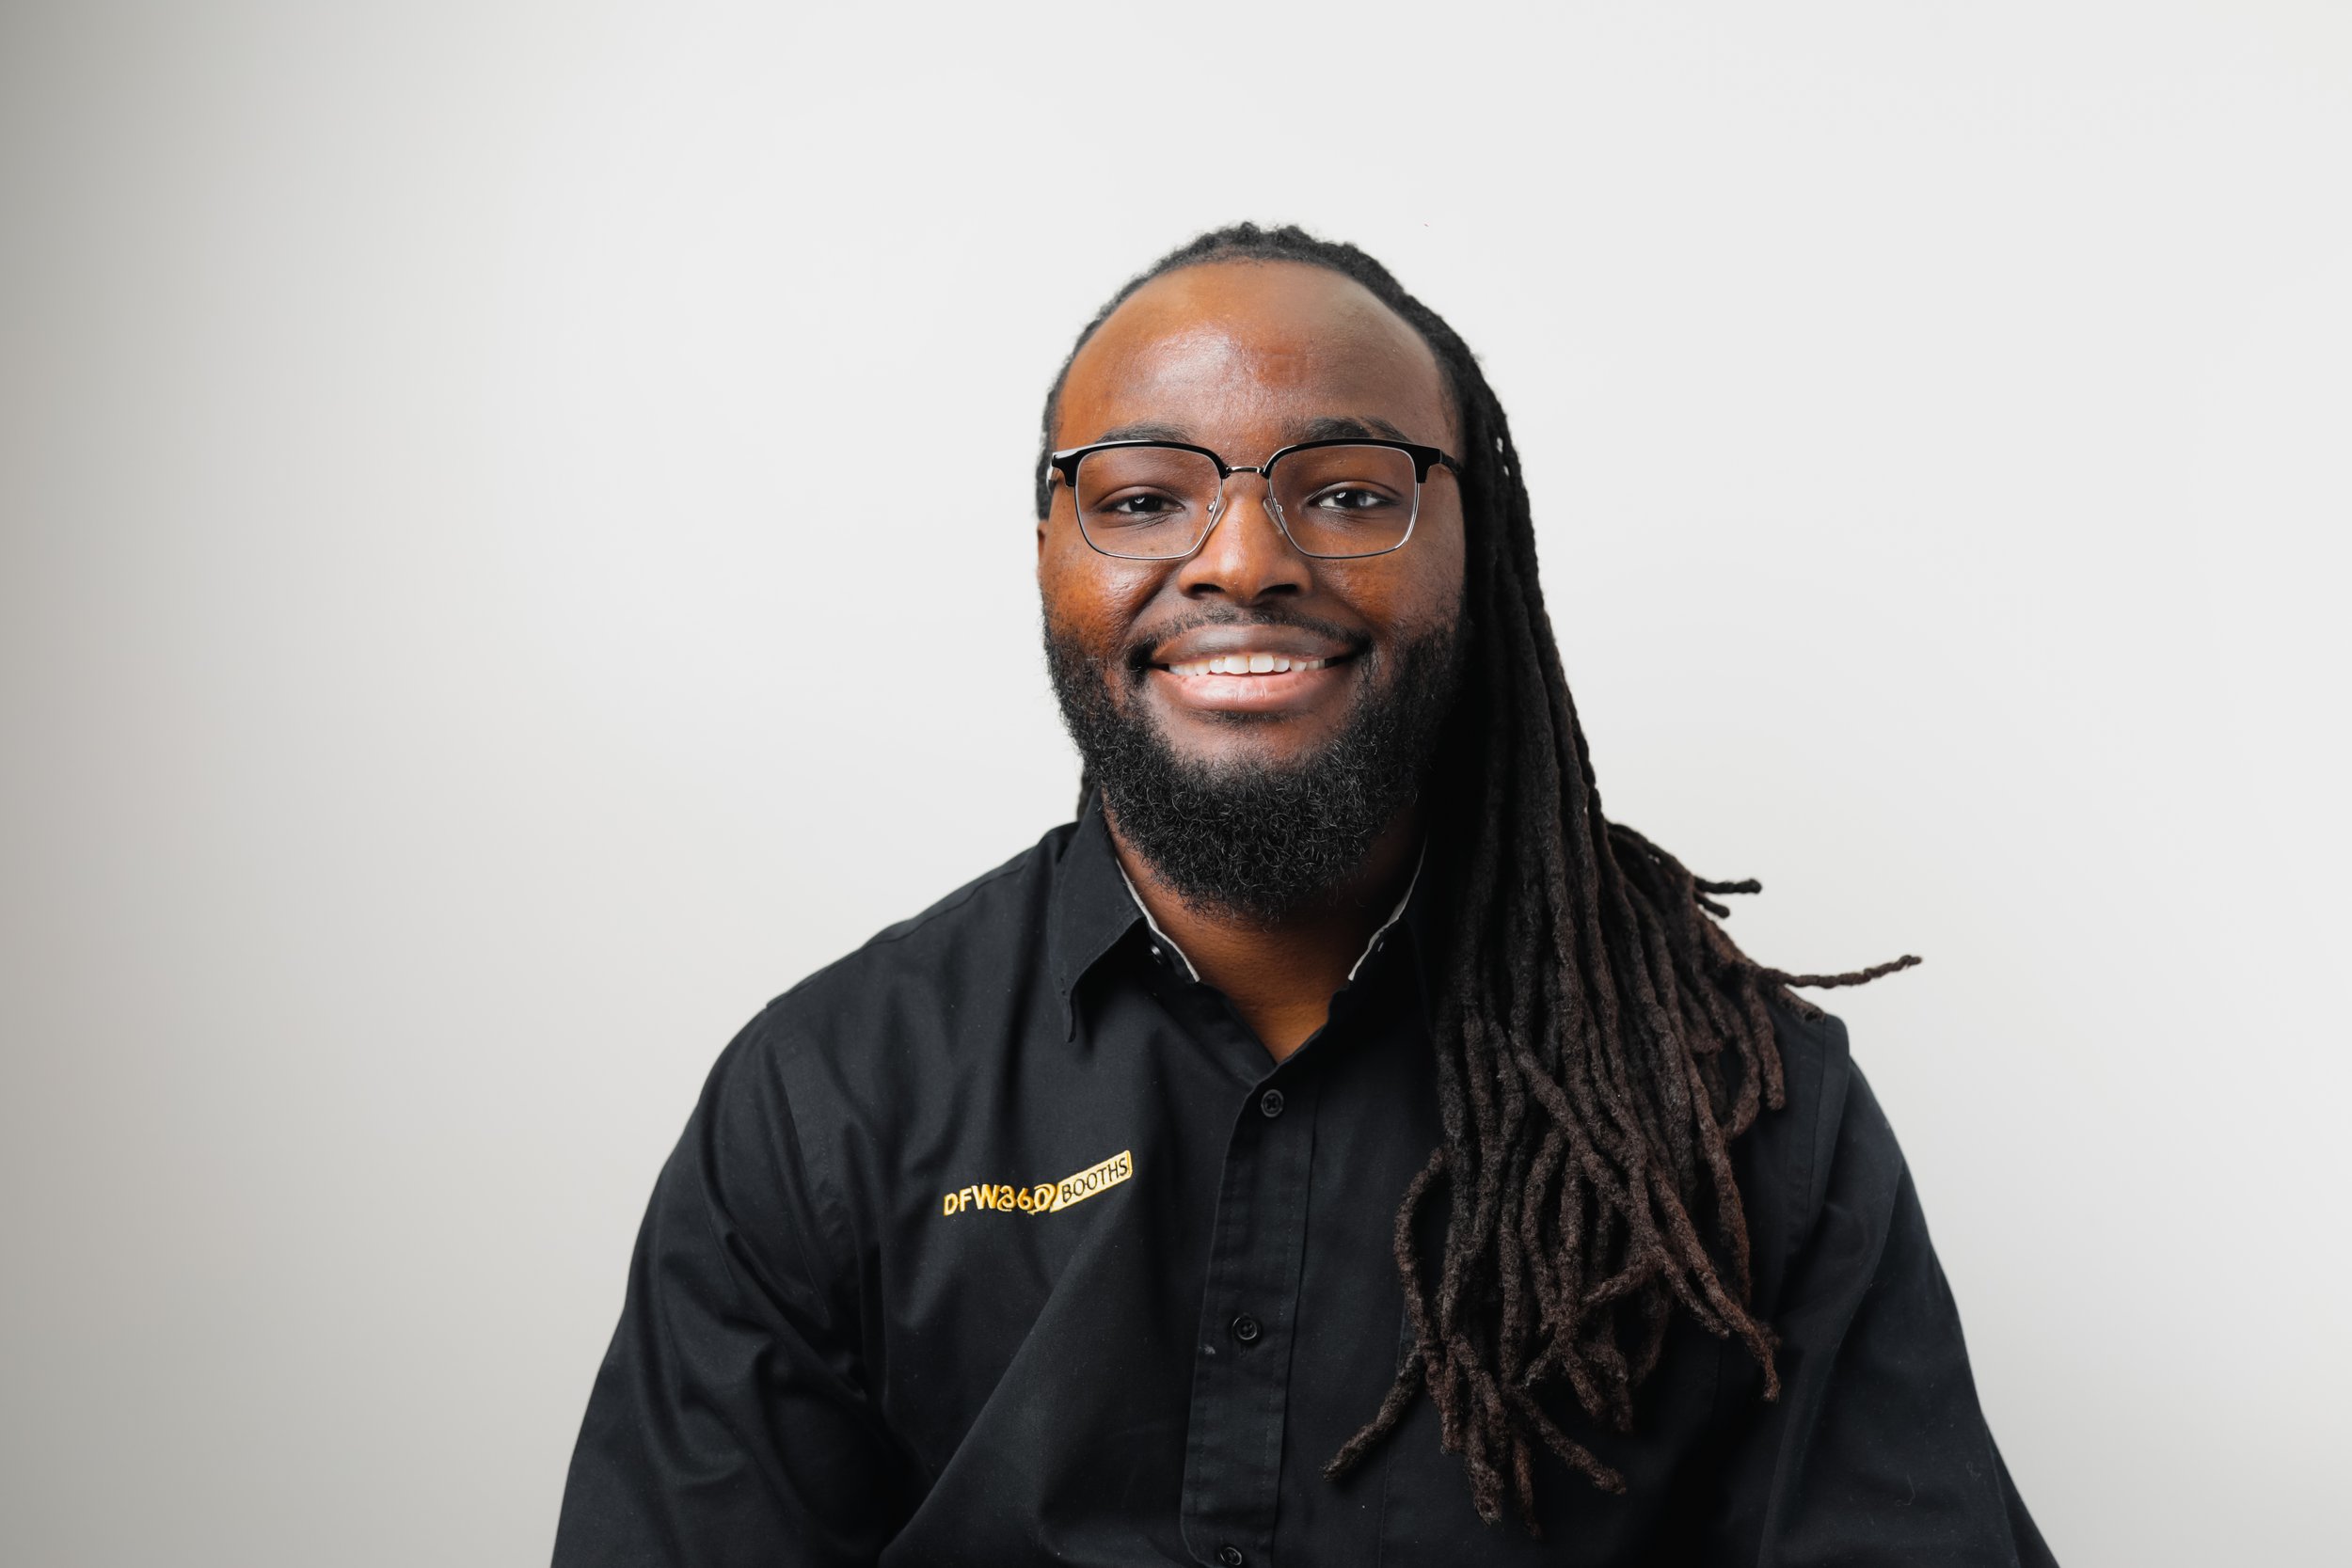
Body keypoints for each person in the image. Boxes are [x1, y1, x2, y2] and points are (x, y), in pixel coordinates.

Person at [552, 224, 2054, 1566]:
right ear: (1047, 557)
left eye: (1344, 490)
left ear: (1486, 551)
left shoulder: (1742, 1107)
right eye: (1144, 497)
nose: (1244, 561)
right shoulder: (827, 1101)